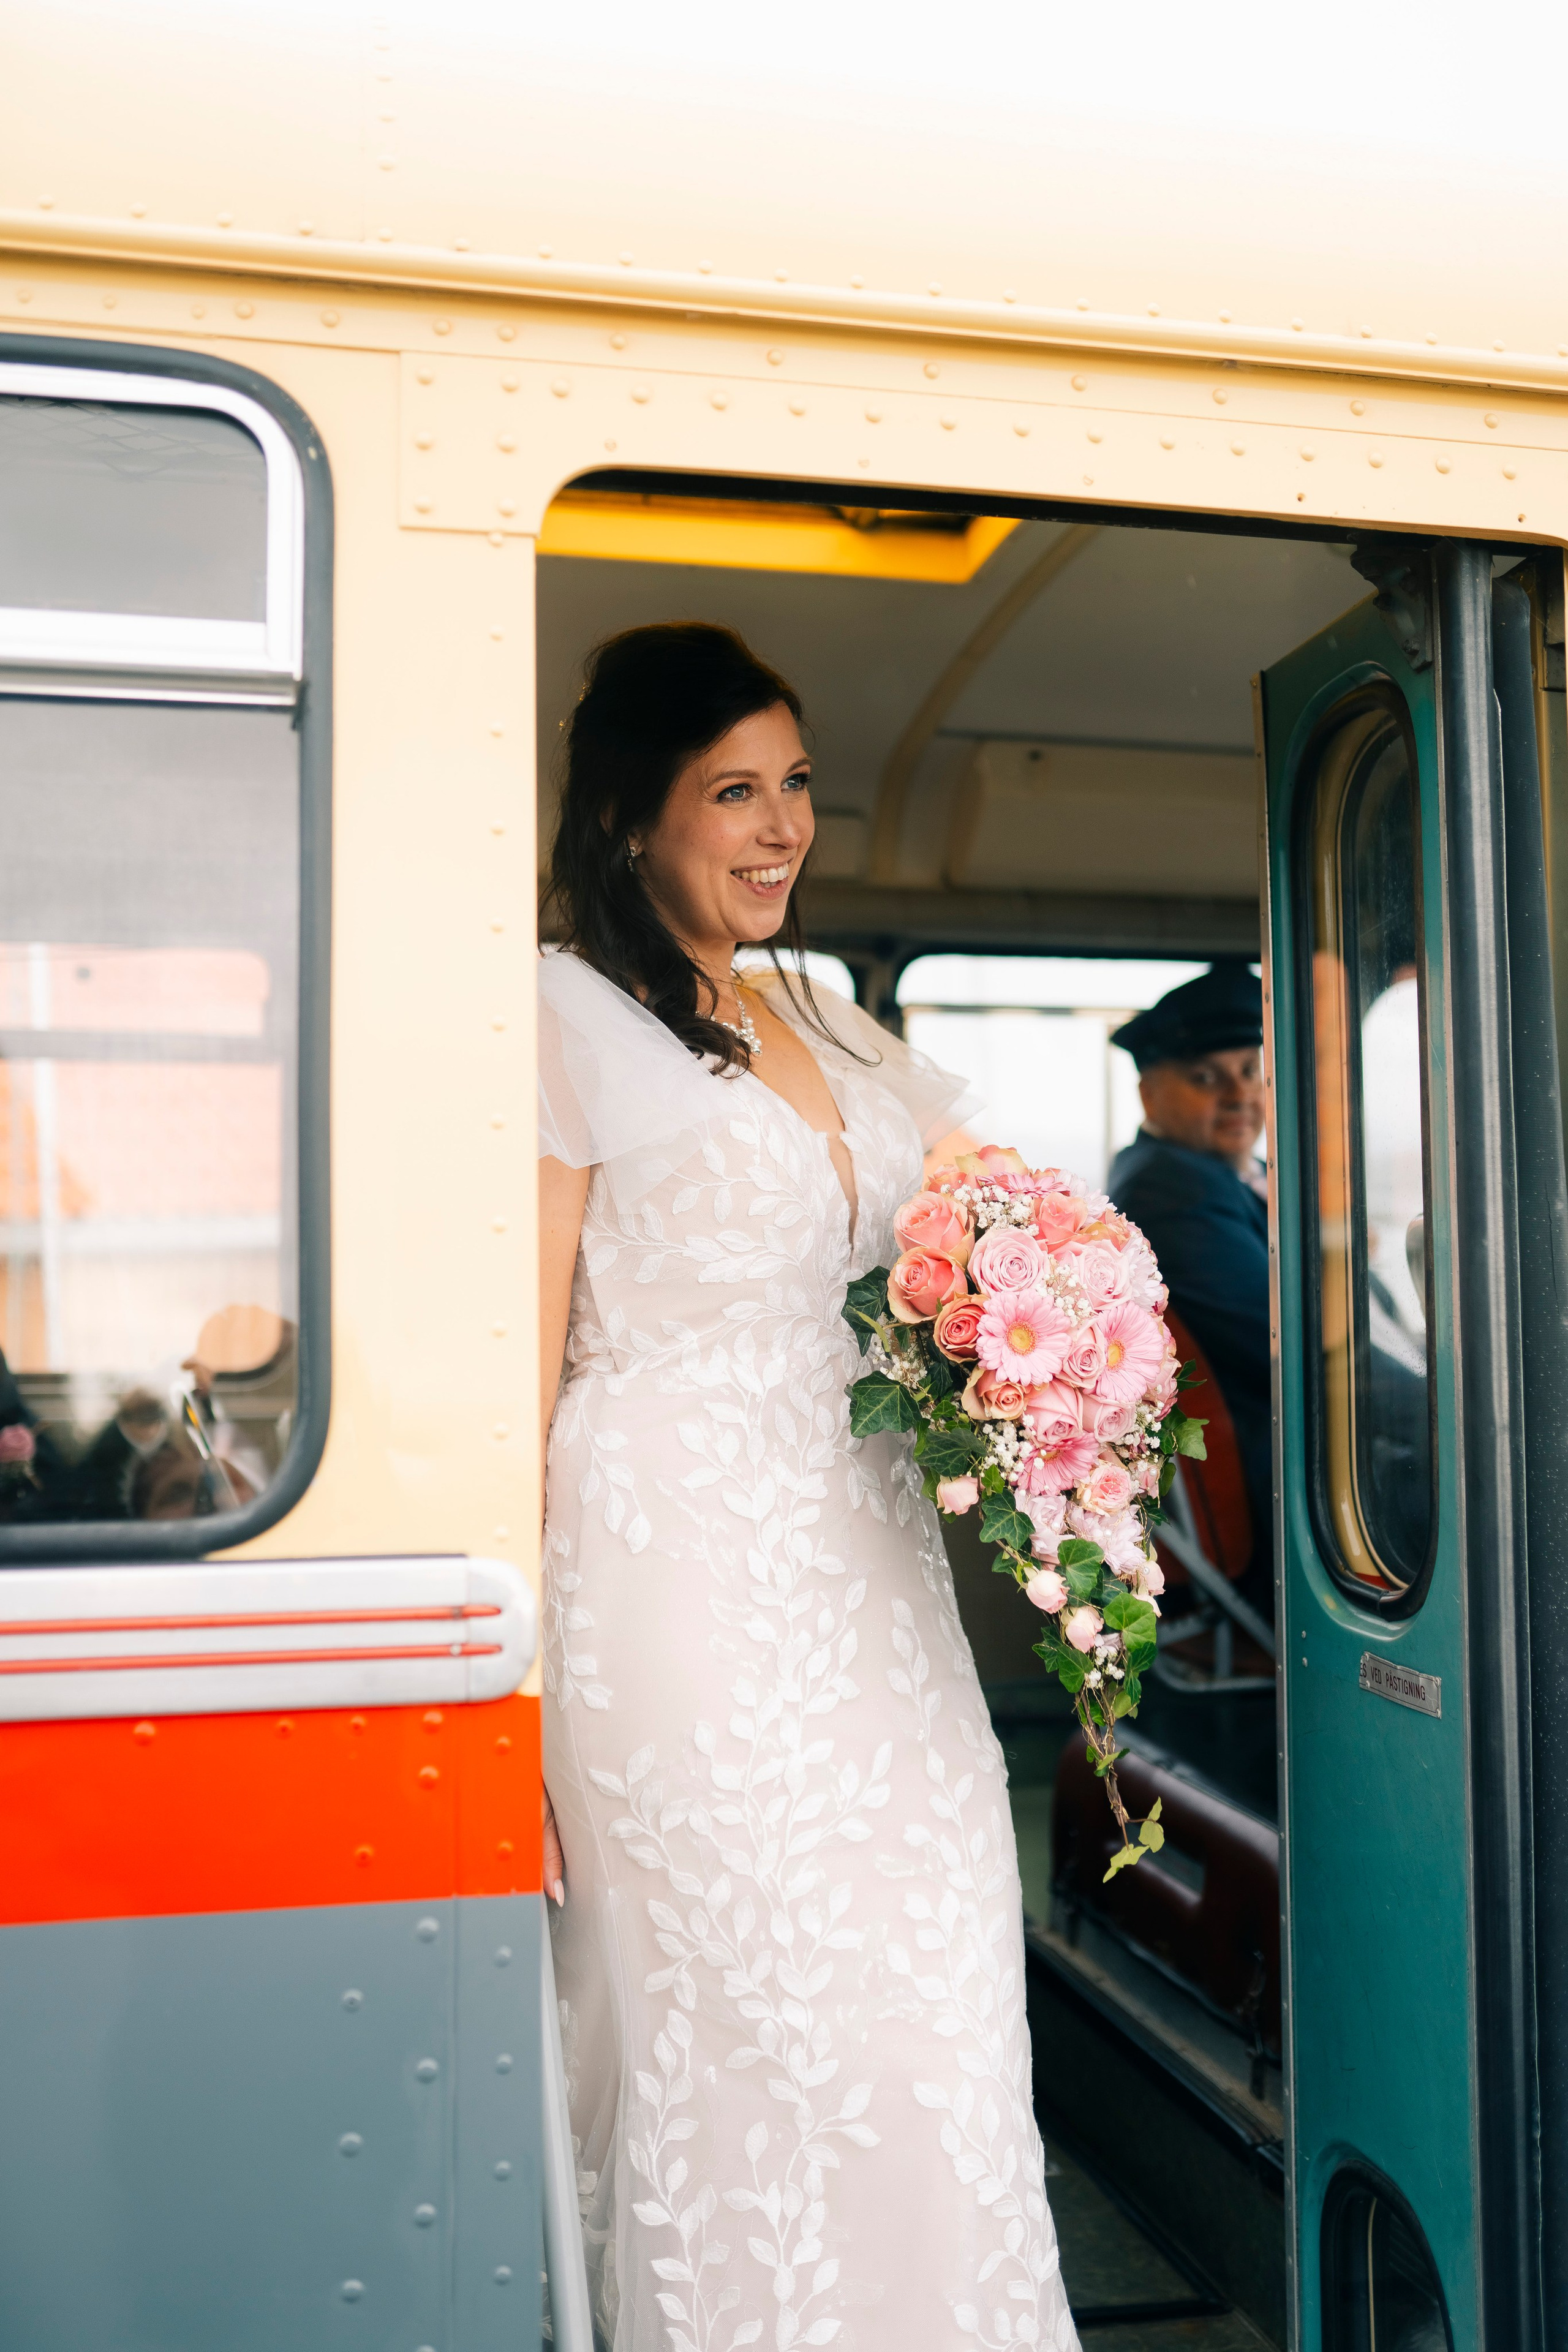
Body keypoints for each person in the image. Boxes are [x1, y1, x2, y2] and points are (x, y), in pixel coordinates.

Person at [537, 624, 1079, 2352]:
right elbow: (514, 1360)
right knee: (750, 2011)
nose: (778, 831)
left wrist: (1057, 1338)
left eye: (796, 789)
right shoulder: (554, 1011)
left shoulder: (829, 1014)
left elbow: (969, 1229)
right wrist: (516, 1682)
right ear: (633, 816)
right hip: (673, 1583)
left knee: (930, 1990)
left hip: (873, 1580)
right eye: (730, 793)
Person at [1106, 965, 1272, 1577]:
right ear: (1150, 1094)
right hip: (1282, 1487)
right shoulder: (1172, 1191)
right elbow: (1292, 1344)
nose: (1240, 1095)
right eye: (1207, 1078)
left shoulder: (1228, 1173)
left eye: (1250, 1071)